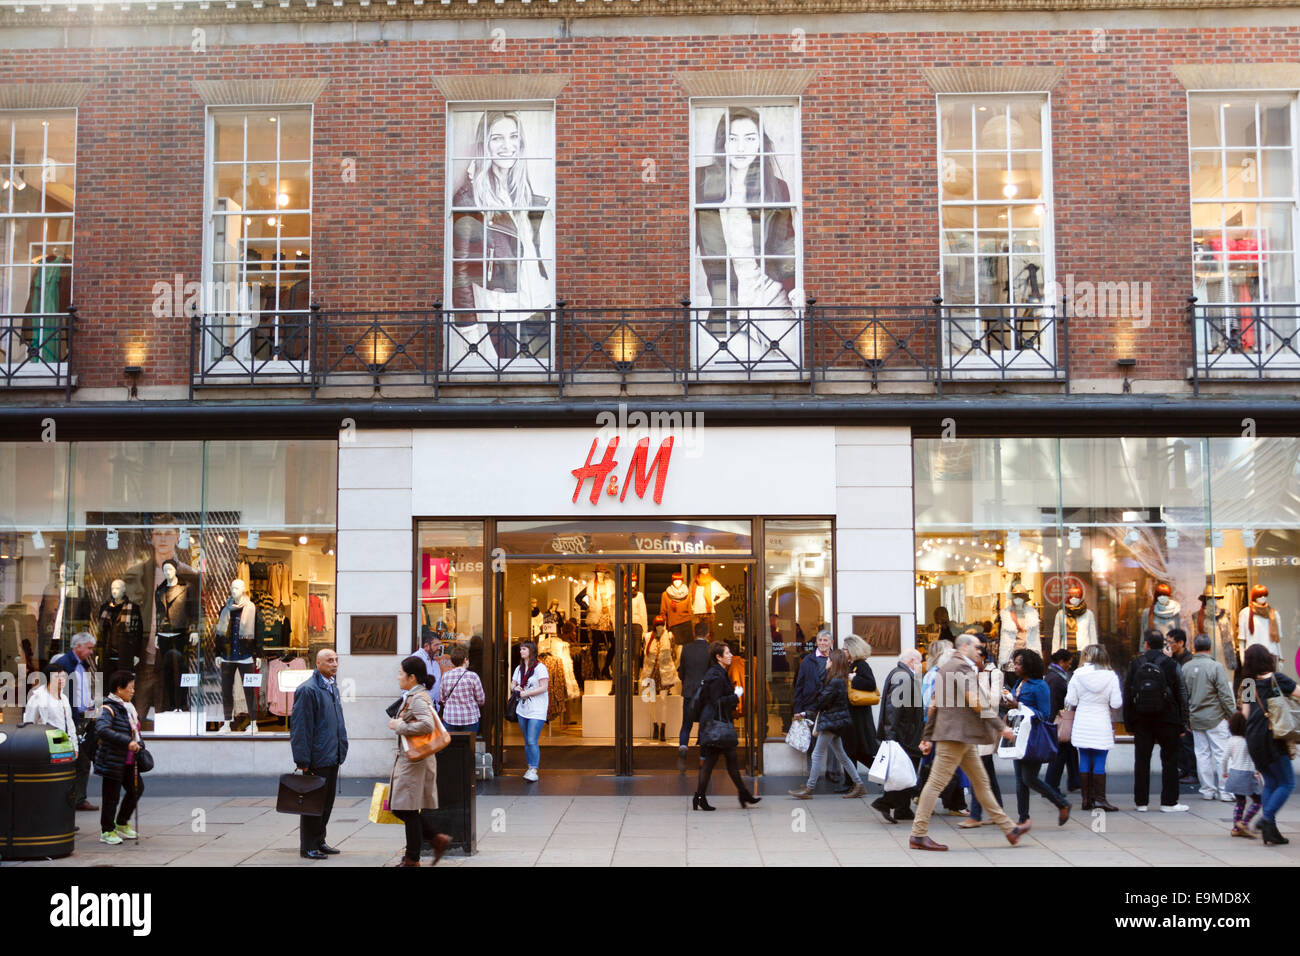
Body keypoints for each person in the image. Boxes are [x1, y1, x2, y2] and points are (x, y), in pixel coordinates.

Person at [693, 107, 802, 363]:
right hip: (727, 300)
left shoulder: (776, 187)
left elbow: (786, 245)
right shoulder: (700, 182)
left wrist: (796, 289)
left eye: (750, 138)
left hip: (771, 296)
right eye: (733, 138)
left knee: (791, 358)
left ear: (760, 143)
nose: (741, 148)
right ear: (724, 143)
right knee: (726, 363)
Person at [451, 110, 553, 366]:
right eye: (497, 138)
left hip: (538, 304)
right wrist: (468, 326)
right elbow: (460, 269)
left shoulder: (524, 191)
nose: (507, 146)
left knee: (538, 373)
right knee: (508, 378)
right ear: (484, 144)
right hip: (501, 307)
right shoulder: (469, 198)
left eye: (513, 137)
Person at [909, 634, 1028, 851]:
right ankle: (918, 834)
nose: (979, 651)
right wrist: (1001, 727)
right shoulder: (961, 668)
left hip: (960, 737)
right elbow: (977, 703)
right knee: (936, 783)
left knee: (981, 783)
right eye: (976, 647)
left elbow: (935, 704)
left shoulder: (945, 668)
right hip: (955, 737)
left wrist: (927, 736)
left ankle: (1010, 829)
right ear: (964, 646)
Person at [387, 656, 451, 867]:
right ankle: (432, 842)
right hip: (410, 760)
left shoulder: (419, 699)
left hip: (415, 761)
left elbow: (427, 725)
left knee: (406, 809)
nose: (398, 677)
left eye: (400, 673)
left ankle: (413, 858)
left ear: (411, 677)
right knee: (403, 808)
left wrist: (399, 726)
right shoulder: (413, 696)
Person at [290, 648, 349, 859]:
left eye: (336, 660)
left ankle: (319, 840)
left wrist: (342, 746)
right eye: (329, 660)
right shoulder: (308, 690)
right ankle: (308, 846)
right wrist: (302, 759)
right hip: (317, 757)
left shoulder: (331, 686)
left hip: (333, 754)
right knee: (312, 805)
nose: (334, 664)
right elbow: (300, 727)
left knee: (327, 803)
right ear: (317, 663)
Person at [1123, 629, 1191, 812]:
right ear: (1163, 645)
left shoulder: (1136, 664)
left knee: (1142, 760)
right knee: (1170, 760)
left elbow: (1128, 694)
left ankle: (1141, 802)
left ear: (1145, 644)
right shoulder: (1171, 664)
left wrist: (1128, 722)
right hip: (1168, 719)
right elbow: (1181, 694)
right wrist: (1183, 721)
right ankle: (1169, 802)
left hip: (1141, 719)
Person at [1240, 643, 1299, 845]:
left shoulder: (1247, 683)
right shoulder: (1278, 679)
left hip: (1253, 738)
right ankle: (1266, 820)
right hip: (1273, 736)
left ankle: (1271, 831)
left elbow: (1245, 714)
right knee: (1287, 782)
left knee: (1271, 782)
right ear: (1268, 659)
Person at [691, 641, 760, 810]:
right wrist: (735, 696)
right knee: (718, 762)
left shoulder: (718, 672)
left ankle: (742, 794)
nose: (731, 656)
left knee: (729, 761)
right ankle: (701, 797)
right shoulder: (716, 675)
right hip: (717, 726)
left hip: (716, 725)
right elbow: (716, 701)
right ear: (718, 657)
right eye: (727, 653)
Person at [790, 649, 866, 799]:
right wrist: (805, 713)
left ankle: (809, 788)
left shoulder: (835, 682)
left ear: (835, 663)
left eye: (829, 660)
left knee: (817, 754)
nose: (827, 662)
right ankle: (859, 784)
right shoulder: (836, 680)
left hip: (831, 722)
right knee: (841, 754)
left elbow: (820, 701)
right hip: (834, 721)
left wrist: (807, 712)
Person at [1009, 649, 1071, 826]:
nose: (1016, 666)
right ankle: (1023, 817)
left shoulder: (1040, 686)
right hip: (1018, 734)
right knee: (1020, 779)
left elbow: (1045, 714)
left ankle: (1062, 804)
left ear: (1029, 665)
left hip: (1033, 737)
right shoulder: (1020, 683)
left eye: (1019, 663)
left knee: (1029, 778)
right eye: (1015, 662)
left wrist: (1018, 705)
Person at [1064, 644, 1122, 812]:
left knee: (1084, 760)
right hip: (1101, 720)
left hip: (1083, 721)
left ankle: (1086, 799)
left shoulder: (1077, 675)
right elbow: (1117, 702)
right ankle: (1100, 799)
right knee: (1099, 761)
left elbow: (1071, 701)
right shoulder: (1111, 676)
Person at [1183, 632, 1237, 802]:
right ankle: (1225, 791)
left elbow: (1183, 696)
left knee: (1202, 755)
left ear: (1194, 648)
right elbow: (1225, 694)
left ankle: (1207, 790)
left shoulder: (1186, 667)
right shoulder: (1216, 667)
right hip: (1216, 717)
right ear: (1210, 647)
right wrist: (1232, 716)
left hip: (1196, 718)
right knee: (1221, 754)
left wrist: (1187, 718)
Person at [872, 649, 923, 824]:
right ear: (911, 661)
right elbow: (893, 709)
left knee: (904, 771)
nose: (921, 666)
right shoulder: (903, 676)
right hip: (904, 735)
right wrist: (891, 736)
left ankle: (903, 809)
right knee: (905, 772)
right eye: (920, 662)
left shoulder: (900, 674)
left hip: (904, 733)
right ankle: (885, 803)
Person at [918, 639, 967, 815]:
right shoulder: (937, 675)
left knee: (941, 766)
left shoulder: (933, 673)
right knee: (946, 767)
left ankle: (951, 802)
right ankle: (954, 804)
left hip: (941, 726)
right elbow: (931, 704)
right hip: (942, 727)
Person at [92, 670, 142, 846]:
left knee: (136, 789)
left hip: (128, 759)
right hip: (113, 759)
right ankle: (107, 830)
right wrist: (127, 742)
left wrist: (138, 744)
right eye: (130, 687)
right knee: (111, 796)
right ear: (119, 689)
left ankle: (121, 822)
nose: (133, 691)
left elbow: (134, 730)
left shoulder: (128, 707)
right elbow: (102, 730)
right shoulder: (107, 708)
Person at [961, 636, 1006, 828]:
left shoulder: (994, 673)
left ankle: (976, 815)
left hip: (986, 726)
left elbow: (995, 700)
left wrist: (976, 685)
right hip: (972, 726)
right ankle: (998, 812)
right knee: (986, 772)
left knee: (977, 772)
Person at [50, 632, 97, 812]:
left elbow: (82, 689)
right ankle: (74, 798)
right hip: (68, 719)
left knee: (83, 759)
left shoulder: (81, 664)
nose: (91, 652)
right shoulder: (64, 664)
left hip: (81, 717)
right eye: (89, 648)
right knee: (76, 759)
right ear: (78, 646)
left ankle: (77, 798)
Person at [841, 635, 879, 790]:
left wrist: (852, 678)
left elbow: (870, 684)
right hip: (852, 714)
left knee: (857, 750)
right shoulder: (851, 665)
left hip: (858, 715)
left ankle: (883, 774)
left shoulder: (861, 665)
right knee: (851, 750)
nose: (843, 651)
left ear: (851, 650)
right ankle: (851, 783)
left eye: (845, 649)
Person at [511, 640, 548, 782]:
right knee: (527, 741)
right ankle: (529, 767)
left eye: (524, 649)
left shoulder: (540, 668)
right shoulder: (519, 668)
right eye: (521, 649)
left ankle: (534, 769)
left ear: (531, 651)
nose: (521, 652)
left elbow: (544, 687)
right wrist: (515, 688)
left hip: (537, 710)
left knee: (532, 740)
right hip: (522, 709)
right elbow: (512, 683)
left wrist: (526, 693)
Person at [1043, 649, 1080, 794]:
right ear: (1061, 662)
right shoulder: (1056, 679)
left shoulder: (1053, 676)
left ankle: (1074, 781)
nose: (1069, 666)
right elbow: (1055, 702)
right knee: (1061, 754)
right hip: (1058, 721)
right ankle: (1051, 786)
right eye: (1068, 663)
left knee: (1069, 750)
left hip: (1057, 720)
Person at [677, 620, 713, 757]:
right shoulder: (710, 649)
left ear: (694, 633)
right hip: (705, 693)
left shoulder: (686, 648)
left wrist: (686, 682)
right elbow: (712, 672)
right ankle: (703, 754)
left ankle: (683, 745)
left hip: (689, 691)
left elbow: (682, 672)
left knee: (686, 723)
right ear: (708, 634)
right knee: (704, 723)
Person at [1224, 712, 1262, 838]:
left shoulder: (1231, 740)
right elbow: (1254, 758)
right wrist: (1258, 770)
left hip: (1234, 773)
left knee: (1240, 801)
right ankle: (1243, 823)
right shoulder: (1248, 741)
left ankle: (1236, 828)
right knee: (1258, 801)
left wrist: (1224, 772)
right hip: (1247, 773)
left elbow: (1224, 758)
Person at [1168, 627, 1198, 782]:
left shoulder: (1189, 660)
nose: (1169, 645)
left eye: (1171, 642)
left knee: (1187, 741)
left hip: (1185, 705)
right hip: (1175, 705)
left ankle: (1192, 772)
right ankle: (1184, 769)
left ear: (1181, 643)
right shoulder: (1172, 658)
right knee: (1178, 741)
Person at [440, 644, 485, 733]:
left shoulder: (446, 676)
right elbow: (481, 700)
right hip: (470, 718)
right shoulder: (473, 676)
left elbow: (442, 698)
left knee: (452, 746)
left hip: (450, 717)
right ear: (465, 660)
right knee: (469, 746)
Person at [412, 632, 444, 707]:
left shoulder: (435, 661)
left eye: (439, 645)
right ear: (426, 646)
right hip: (420, 707)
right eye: (436, 645)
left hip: (433, 706)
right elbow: (407, 684)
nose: (439, 648)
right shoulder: (416, 659)